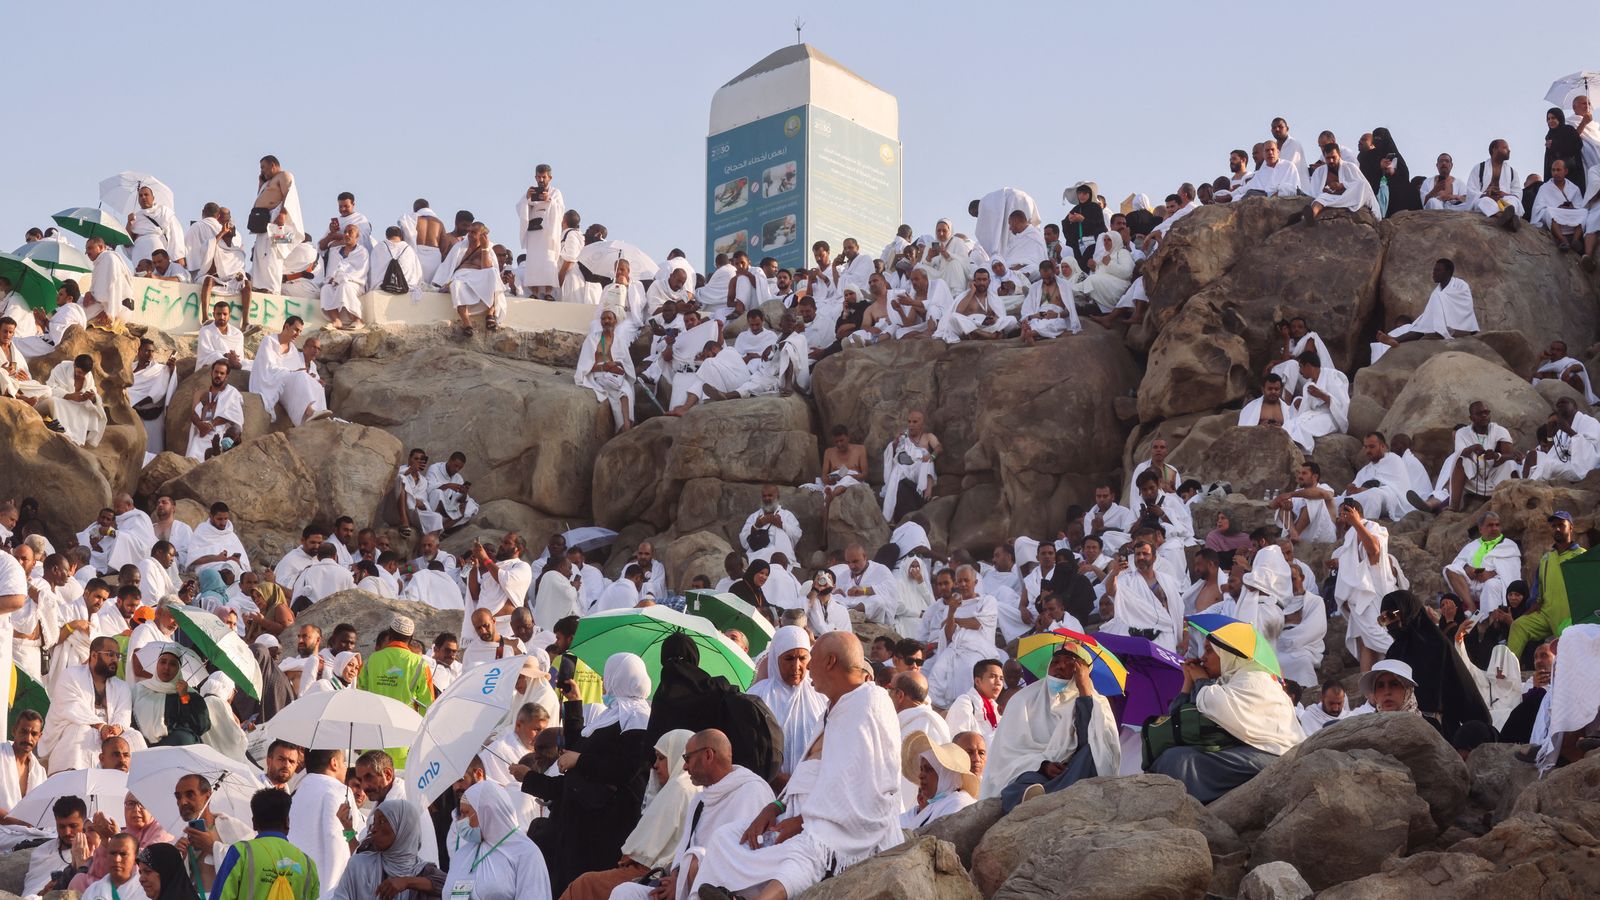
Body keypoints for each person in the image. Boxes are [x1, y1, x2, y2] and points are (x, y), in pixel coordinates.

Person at [693, 632, 901, 900]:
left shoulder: (869, 705)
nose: (805, 667)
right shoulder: (835, 705)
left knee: (807, 851)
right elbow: (812, 769)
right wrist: (776, 806)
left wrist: (803, 822)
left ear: (830, 662)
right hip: (802, 810)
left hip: (840, 825)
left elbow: (861, 791)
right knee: (726, 838)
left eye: (809, 658)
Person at [519, 653, 653, 893]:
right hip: (583, 819)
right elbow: (576, 752)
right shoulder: (614, 714)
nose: (603, 680)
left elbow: (626, 767)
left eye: (608, 674)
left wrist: (581, 760)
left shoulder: (638, 718)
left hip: (607, 824)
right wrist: (573, 704)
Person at [1147, 626, 1305, 802]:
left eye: (1209, 650)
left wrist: (1201, 680)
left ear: (1226, 653)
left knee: (1180, 760)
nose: (1202, 658)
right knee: (1175, 756)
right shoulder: (1229, 681)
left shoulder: (1255, 679)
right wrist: (1188, 682)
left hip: (1274, 757)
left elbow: (1213, 705)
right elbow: (1179, 719)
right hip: (1250, 751)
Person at [997, 642, 1119, 812]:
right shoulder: (1024, 700)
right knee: (1021, 781)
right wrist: (1043, 765)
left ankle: (1043, 797)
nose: (1060, 666)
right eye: (1055, 662)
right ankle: (1039, 795)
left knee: (1093, 752)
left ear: (1081, 671)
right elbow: (1009, 753)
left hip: (1072, 771)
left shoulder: (1097, 703)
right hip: (1037, 773)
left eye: (1070, 663)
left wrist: (1084, 691)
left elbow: (1091, 740)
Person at [1378, 590, 1492, 738]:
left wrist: (1481, 729)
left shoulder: (1437, 645)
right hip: (1399, 726)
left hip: (1440, 730)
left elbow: (1462, 689)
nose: (1390, 623)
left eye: (1392, 615)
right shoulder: (1394, 652)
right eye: (1383, 619)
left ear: (1408, 612)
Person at [38, 637, 135, 774]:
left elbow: (124, 713)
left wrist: (117, 728)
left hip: (111, 733)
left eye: (117, 655)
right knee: (82, 732)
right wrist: (101, 726)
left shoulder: (122, 686)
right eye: (110, 654)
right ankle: (73, 780)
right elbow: (72, 707)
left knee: (134, 736)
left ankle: (134, 787)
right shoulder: (71, 675)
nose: (115, 659)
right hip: (79, 728)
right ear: (94, 655)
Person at [442, 782, 551, 900]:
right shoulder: (462, 854)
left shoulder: (526, 853)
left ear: (486, 811)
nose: (461, 820)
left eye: (466, 813)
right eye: (460, 814)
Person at [211, 788, 320, 900]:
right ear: (287, 822)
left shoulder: (241, 852)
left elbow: (220, 896)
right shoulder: (308, 863)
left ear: (254, 823)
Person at [1412, 403, 1519, 515]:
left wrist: (1496, 456)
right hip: (1474, 477)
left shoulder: (1500, 430)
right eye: (1479, 413)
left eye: (1486, 412)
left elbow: (1510, 455)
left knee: (1510, 464)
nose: (1484, 415)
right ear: (1471, 418)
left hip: (1494, 475)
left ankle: (1515, 500)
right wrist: (1473, 448)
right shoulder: (1462, 433)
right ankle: (1454, 506)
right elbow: (1460, 453)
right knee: (1461, 460)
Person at [1330, 499, 1397, 672]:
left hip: (1374, 594)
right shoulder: (1348, 538)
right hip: (1357, 598)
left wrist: (1356, 523)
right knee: (1365, 642)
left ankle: (1405, 657)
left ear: (1355, 513)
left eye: (1344, 514)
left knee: (1380, 636)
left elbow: (1374, 550)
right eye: (1339, 516)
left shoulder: (1372, 527)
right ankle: (1368, 693)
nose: (1340, 519)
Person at [1371, 260, 1477, 362]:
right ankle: (1395, 339)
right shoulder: (1437, 292)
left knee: (1421, 330)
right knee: (1421, 328)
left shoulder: (1460, 285)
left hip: (1458, 326)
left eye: (1438, 270)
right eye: (1434, 270)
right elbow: (1431, 314)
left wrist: (1442, 321)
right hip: (1439, 326)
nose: (1433, 273)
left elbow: (1465, 307)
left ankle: (1396, 339)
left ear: (1448, 272)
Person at [1101, 539, 1186, 652]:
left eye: (1145, 554)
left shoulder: (1167, 580)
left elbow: (1178, 609)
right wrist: (1114, 573)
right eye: (1137, 554)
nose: (1141, 557)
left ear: (1154, 557)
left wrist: (1184, 633)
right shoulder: (1127, 580)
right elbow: (1111, 591)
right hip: (1140, 636)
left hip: (1166, 633)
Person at [287, 747, 351, 890]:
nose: (346, 767)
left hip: (294, 878)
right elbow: (339, 838)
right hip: (328, 883)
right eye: (343, 762)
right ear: (334, 763)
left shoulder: (297, 792)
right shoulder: (340, 791)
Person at [248, 317, 327, 426]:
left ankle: (320, 417)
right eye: (296, 329)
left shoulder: (293, 349)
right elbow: (267, 367)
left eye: (300, 331)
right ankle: (309, 412)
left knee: (317, 385)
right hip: (271, 381)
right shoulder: (269, 341)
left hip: (287, 381)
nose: (298, 334)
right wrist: (293, 373)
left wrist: (312, 378)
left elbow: (296, 370)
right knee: (300, 376)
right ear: (286, 326)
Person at [132, 645, 210, 746]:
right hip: (142, 743)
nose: (166, 667)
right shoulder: (140, 689)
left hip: (177, 745)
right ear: (157, 664)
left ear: (179, 669)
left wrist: (184, 697)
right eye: (163, 662)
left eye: (172, 664)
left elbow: (201, 726)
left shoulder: (190, 694)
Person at [1290, 142, 1380, 225]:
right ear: (1324, 158)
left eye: (1334, 157)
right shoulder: (1319, 171)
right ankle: (1311, 216)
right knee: (1321, 198)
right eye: (1328, 158)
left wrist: (1343, 185)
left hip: (1349, 196)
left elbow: (1363, 186)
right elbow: (1314, 193)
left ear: (1339, 155)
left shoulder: (1350, 167)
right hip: (1330, 197)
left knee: (1362, 185)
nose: (1331, 160)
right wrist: (1326, 190)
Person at [575, 307, 635, 432]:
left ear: (615, 321)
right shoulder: (592, 339)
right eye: (603, 318)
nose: (606, 321)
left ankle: (626, 427)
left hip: (616, 376)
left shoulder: (620, 341)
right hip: (599, 375)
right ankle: (623, 429)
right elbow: (584, 366)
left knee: (627, 391)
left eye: (609, 318)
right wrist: (605, 366)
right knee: (616, 393)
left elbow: (627, 364)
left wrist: (618, 367)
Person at [881, 410, 941, 521]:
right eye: (909, 422)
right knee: (897, 469)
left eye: (915, 422)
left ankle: (927, 496)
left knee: (928, 460)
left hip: (919, 469)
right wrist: (895, 443)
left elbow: (938, 448)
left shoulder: (928, 436)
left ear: (922, 424)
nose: (911, 425)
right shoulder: (904, 437)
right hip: (905, 468)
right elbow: (894, 454)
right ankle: (891, 514)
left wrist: (931, 456)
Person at [185, 360, 244, 462]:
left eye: (222, 373)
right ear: (211, 373)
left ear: (226, 376)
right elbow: (193, 413)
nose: (218, 375)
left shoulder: (232, 393)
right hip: (200, 435)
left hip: (219, 436)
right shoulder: (200, 393)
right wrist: (200, 425)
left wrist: (211, 425)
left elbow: (235, 416)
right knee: (191, 462)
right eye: (216, 372)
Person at [1465, 140, 1524, 228]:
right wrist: (1485, 195)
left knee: (1513, 200)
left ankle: (1505, 215)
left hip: (1504, 200)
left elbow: (1517, 192)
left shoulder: (1512, 171)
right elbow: (1471, 189)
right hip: (1486, 199)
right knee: (1483, 202)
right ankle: (1504, 216)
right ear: (1494, 150)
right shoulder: (1479, 168)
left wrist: (1504, 194)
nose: (1509, 150)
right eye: (1505, 148)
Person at [944, 658, 1004, 745]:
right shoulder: (964, 703)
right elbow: (957, 742)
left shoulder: (996, 708)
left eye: (1001, 678)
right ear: (978, 681)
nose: (998, 682)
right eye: (992, 676)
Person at [1532, 158, 1587, 250]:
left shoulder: (1574, 188)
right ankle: (1563, 240)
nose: (1555, 173)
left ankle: (1575, 240)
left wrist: (1572, 208)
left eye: (1558, 170)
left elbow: (1580, 206)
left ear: (1565, 171)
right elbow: (1538, 209)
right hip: (1555, 218)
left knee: (1584, 212)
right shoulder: (1544, 188)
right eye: (1553, 170)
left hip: (1570, 216)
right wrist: (1558, 208)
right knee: (1549, 212)